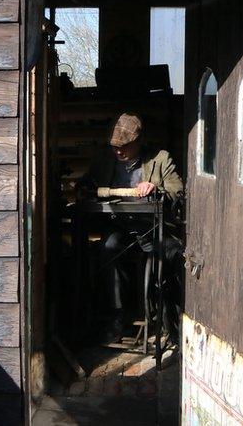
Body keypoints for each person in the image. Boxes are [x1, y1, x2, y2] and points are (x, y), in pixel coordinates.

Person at [79, 112, 183, 343]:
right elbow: (87, 182)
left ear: (139, 141)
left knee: (170, 257)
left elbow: (177, 191)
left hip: (152, 227)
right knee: (108, 249)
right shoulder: (104, 160)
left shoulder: (160, 159)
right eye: (115, 146)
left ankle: (169, 322)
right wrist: (86, 187)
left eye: (124, 146)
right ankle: (118, 316)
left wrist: (155, 188)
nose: (119, 151)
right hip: (120, 226)